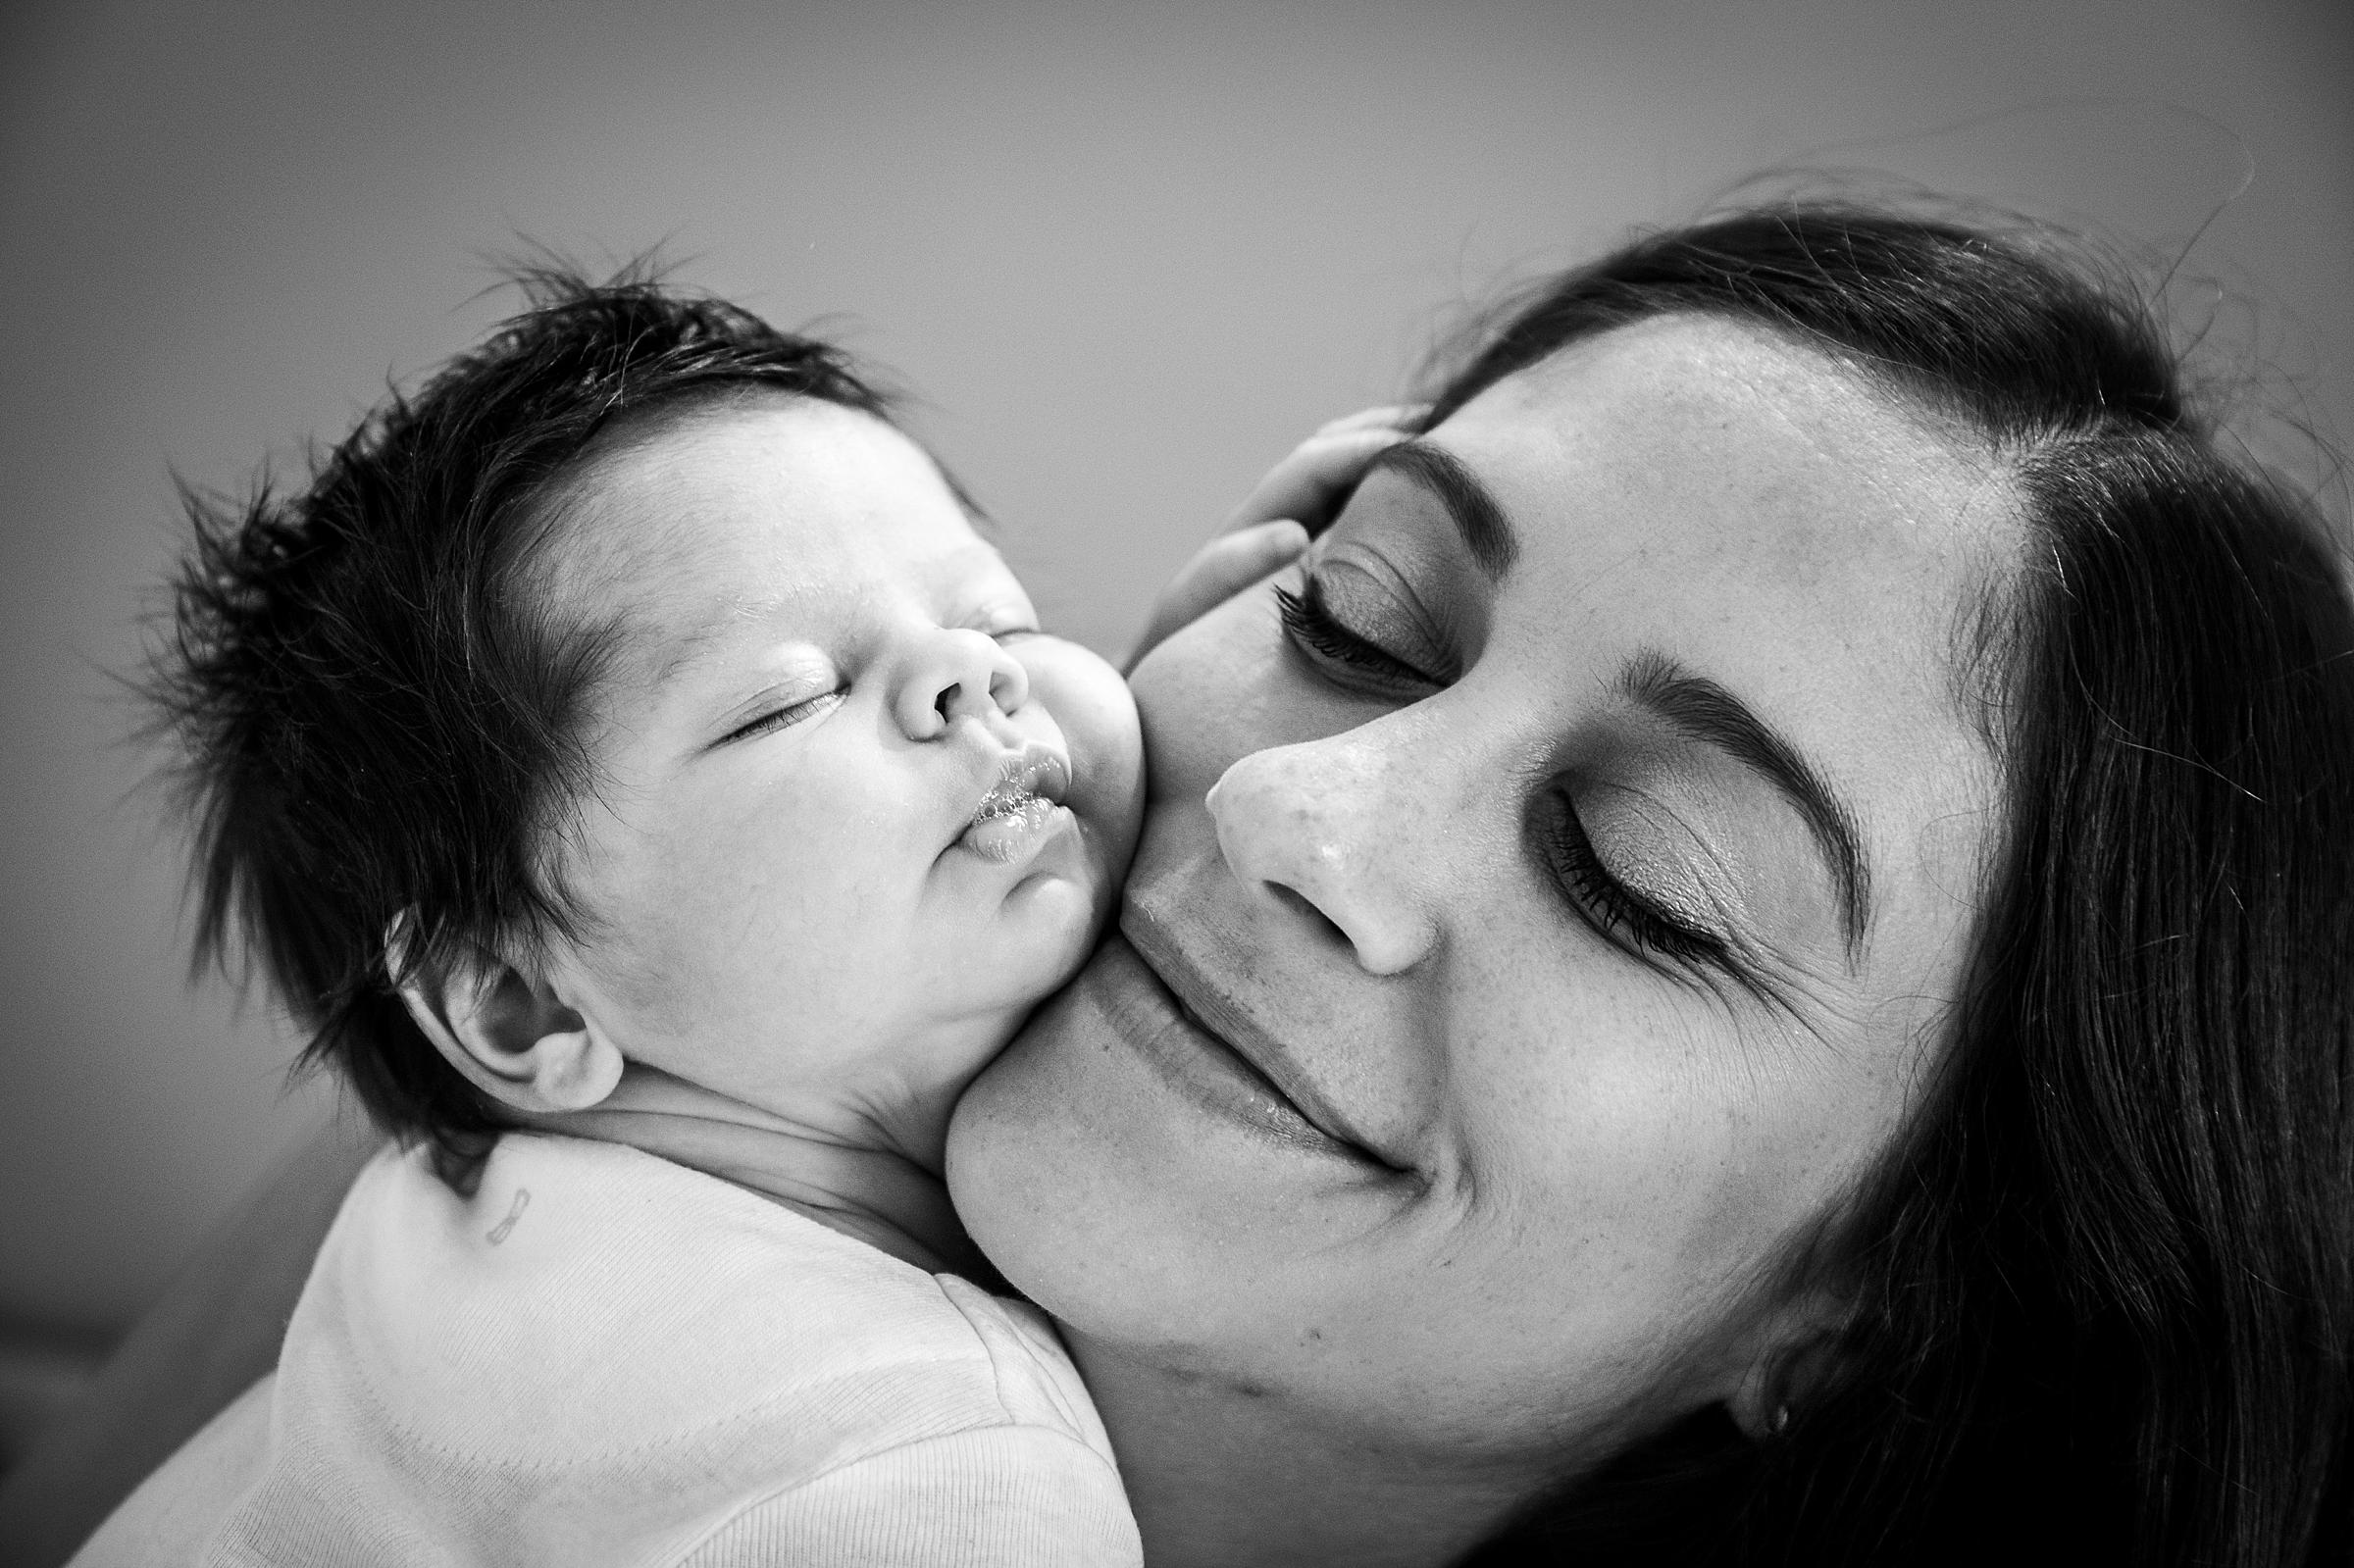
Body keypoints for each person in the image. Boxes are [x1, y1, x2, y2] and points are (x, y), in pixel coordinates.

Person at [13, 202, 2350, 1568]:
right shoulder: (531, 1116)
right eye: (1351, 614)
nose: (1288, 815)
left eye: (1643, 878)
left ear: (1871, 1308)